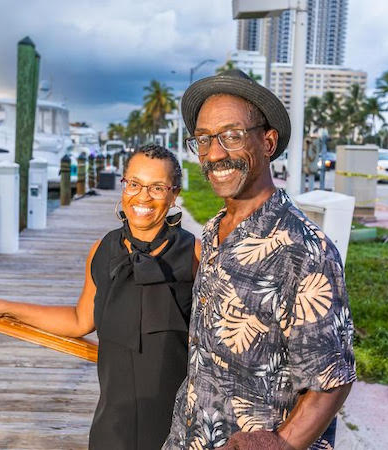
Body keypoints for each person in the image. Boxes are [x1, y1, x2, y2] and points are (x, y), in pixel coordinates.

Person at [0, 144, 201, 450]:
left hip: (179, 429)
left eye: (157, 187)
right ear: (123, 184)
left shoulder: (196, 255)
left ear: (174, 194)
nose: (143, 196)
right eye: (135, 184)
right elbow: (79, 320)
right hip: (113, 426)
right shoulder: (102, 250)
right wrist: (4, 308)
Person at [163, 70, 356, 450]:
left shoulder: (304, 249)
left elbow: (332, 380)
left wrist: (278, 443)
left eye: (232, 135)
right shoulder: (213, 230)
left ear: (267, 142)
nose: (215, 153)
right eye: (204, 139)